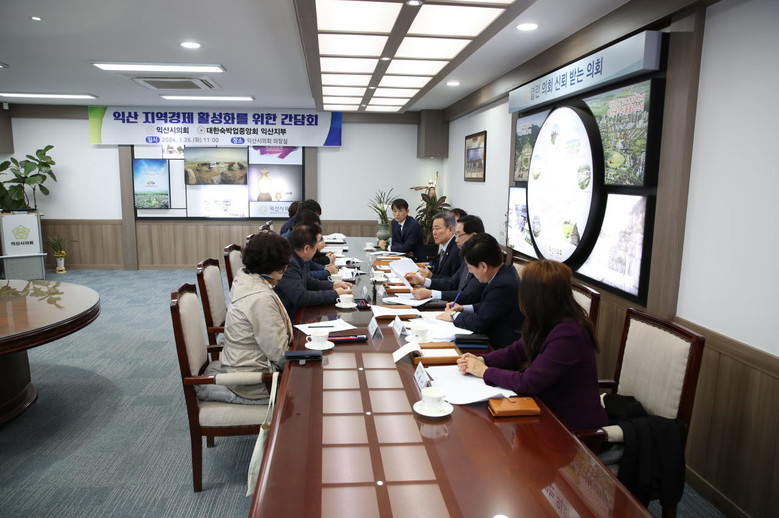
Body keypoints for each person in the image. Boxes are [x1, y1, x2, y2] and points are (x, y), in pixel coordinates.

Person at [457, 260, 607, 432]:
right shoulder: (546, 318)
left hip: (568, 424)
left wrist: (484, 371)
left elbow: (530, 382)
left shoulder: (569, 333)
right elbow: (516, 351)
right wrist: (482, 359)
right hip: (543, 407)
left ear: (535, 296)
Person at [217, 232, 293, 403]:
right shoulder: (260, 298)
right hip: (254, 380)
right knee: (312, 384)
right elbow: (278, 352)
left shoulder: (246, 280)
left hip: (243, 364)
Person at [437, 233, 522, 348]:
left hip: (498, 346)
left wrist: (453, 316)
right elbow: (490, 306)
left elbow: (480, 322)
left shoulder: (502, 285)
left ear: (483, 266)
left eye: (470, 267)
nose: (470, 272)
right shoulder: (505, 271)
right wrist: (462, 308)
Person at [275, 223, 351, 319]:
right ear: (306, 248)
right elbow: (301, 298)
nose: (316, 251)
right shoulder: (288, 263)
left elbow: (308, 281)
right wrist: (335, 294)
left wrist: (333, 285)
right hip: (288, 317)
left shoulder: (296, 257)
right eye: (315, 247)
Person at [405, 214, 485, 304]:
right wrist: (423, 281)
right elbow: (452, 282)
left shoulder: (482, 260)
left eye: (459, 235)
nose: (456, 240)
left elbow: (469, 295)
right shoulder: (468, 256)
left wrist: (432, 293)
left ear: (473, 236)